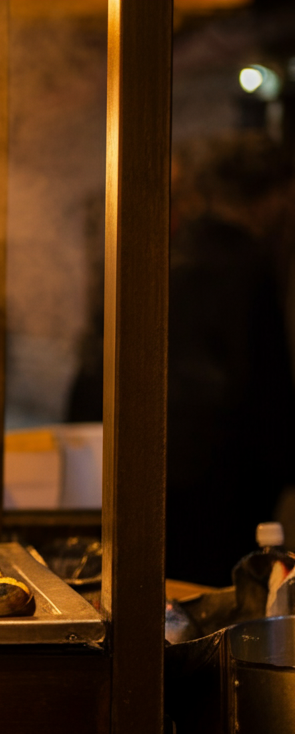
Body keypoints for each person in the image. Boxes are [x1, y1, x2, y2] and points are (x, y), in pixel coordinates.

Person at [165, 134, 295, 585]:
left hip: (165, 461)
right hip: (228, 471)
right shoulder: (248, 263)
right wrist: (283, 462)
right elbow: (266, 379)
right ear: (269, 197)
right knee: (225, 592)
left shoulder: (177, 247)